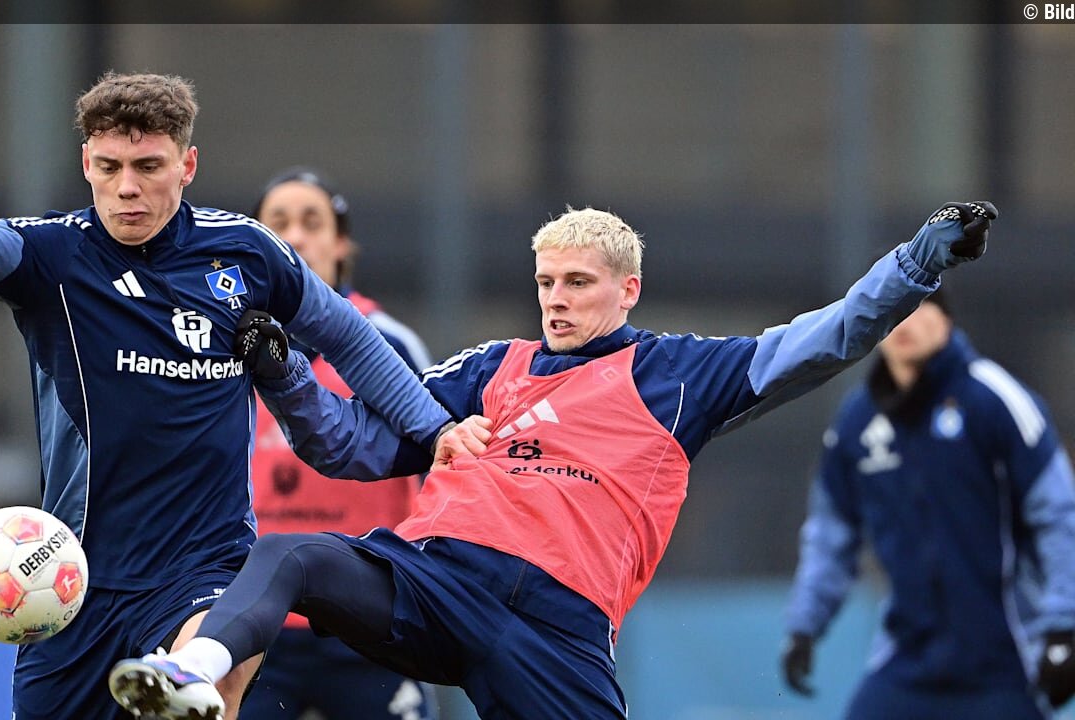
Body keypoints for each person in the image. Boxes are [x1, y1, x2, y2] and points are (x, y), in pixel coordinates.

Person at [108, 200, 999, 720]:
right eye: (546, 283)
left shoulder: (680, 374)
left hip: (558, 631)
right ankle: (194, 675)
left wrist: (915, 265)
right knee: (292, 554)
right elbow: (347, 445)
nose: (557, 300)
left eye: (578, 283)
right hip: (440, 582)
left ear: (627, 289)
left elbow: (826, 338)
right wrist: (282, 375)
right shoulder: (491, 369)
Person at [0, 33, 453, 720]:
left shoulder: (244, 254)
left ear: (187, 165)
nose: (127, 187)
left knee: (210, 683)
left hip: (206, 565)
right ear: (87, 163)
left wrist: (436, 429)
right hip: (77, 577)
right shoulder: (50, 258)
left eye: (149, 166)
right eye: (110, 166)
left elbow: (350, 337)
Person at [779, 288, 1075, 719]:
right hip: (908, 661)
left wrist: (1064, 625)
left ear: (947, 320)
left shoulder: (995, 400)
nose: (904, 323)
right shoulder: (856, 421)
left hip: (1003, 663)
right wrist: (804, 625)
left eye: (919, 309)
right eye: (892, 311)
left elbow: (1058, 516)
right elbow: (831, 533)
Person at [243, 167, 437, 719]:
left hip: (368, 622)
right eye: (278, 224)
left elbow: (441, 472)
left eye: (312, 222)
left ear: (342, 244)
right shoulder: (221, 345)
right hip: (255, 623)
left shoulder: (390, 345)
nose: (295, 237)